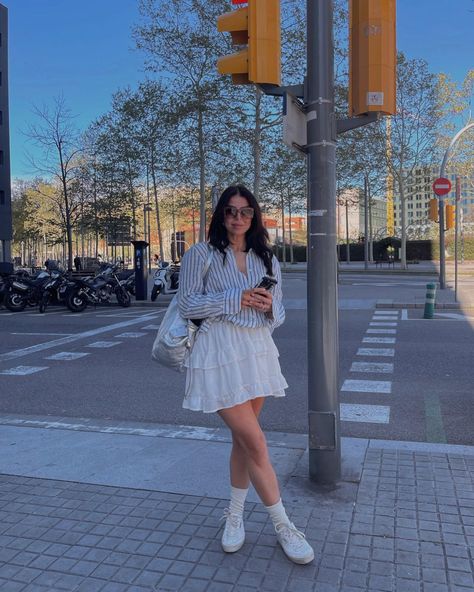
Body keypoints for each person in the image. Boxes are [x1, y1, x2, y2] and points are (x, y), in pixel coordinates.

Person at [178, 185, 314, 565]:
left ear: (255, 217)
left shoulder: (266, 258)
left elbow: (281, 314)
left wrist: (269, 305)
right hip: (218, 351)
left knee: (243, 440)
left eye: (245, 212)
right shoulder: (200, 254)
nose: (238, 218)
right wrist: (235, 298)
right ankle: (284, 525)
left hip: (256, 350)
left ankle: (234, 516)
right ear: (220, 215)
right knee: (256, 442)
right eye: (230, 211)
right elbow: (187, 303)